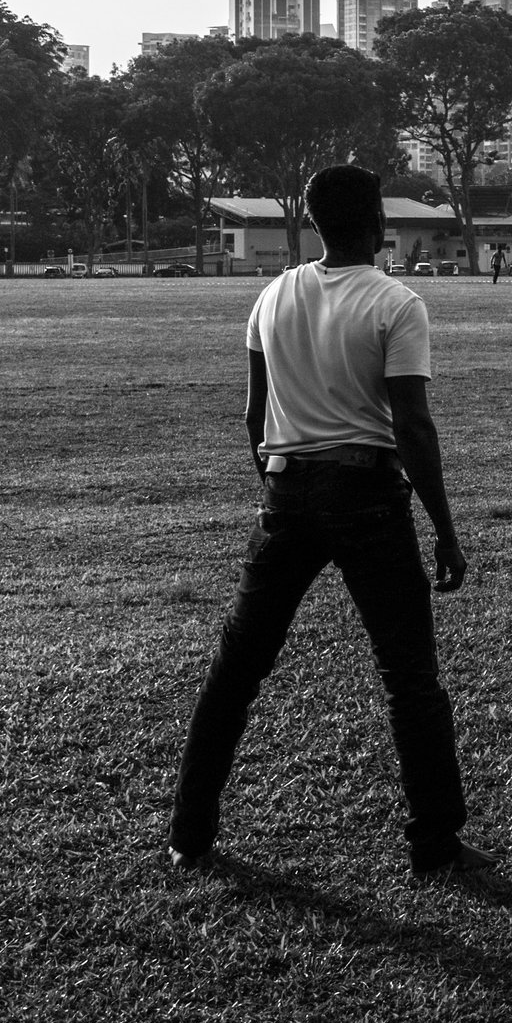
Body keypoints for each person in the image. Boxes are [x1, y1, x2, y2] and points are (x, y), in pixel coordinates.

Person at [168, 165, 491, 880]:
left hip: (286, 491)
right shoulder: (396, 303)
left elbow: (254, 418)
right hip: (368, 494)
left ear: (312, 222)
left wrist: (283, 487)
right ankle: (434, 845)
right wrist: (445, 528)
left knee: (236, 670)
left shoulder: (271, 295)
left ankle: (190, 832)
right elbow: (411, 423)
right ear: (378, 224)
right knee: (409, 678)